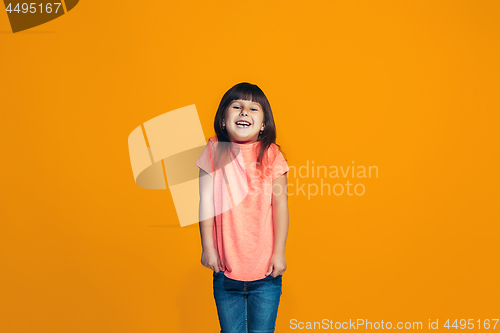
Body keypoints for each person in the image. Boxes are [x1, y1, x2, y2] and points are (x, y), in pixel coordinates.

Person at [195, 82, 290, 333]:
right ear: (224, 120)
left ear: (263, 125)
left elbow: (280, 204)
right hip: (226, 270)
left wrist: (279, 252)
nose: (244, 112)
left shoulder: (271, 154)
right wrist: (208, 247)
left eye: (252, 109)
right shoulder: (214, 151)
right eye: (237, 107)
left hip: (266, 273)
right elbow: (205, 203)